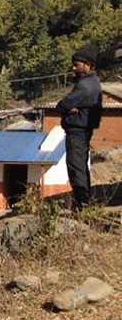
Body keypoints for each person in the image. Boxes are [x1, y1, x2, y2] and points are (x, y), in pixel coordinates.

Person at [56, 45, 103, 209]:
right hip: (83, 130)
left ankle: (82, 203)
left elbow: (62, 106)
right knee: (81, 167)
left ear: (88, 64)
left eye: (77, 65)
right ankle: (85, 202)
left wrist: (68, 107)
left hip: (77, 130)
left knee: (76, 167)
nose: (73, 68)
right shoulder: (92, 82)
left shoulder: (85, 86)